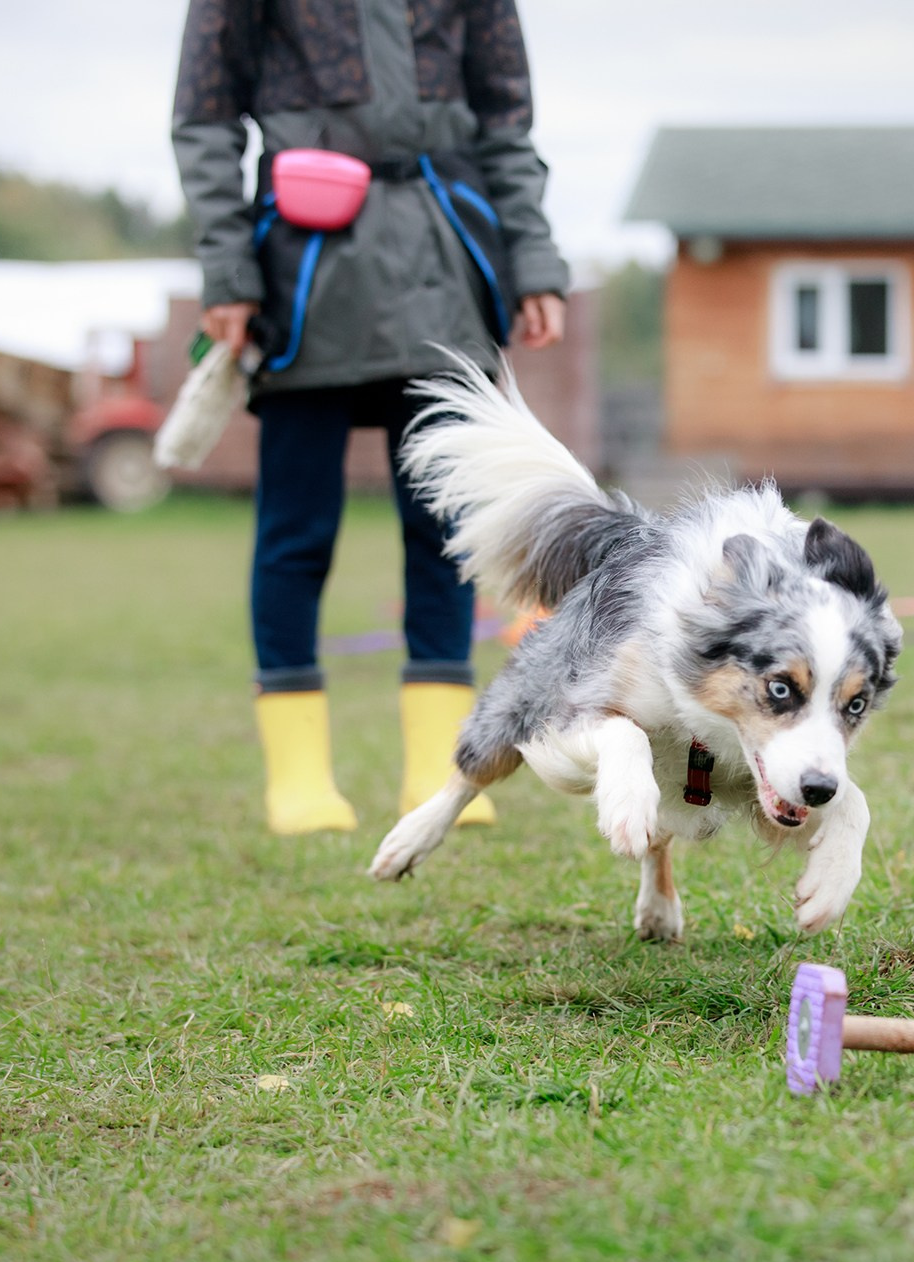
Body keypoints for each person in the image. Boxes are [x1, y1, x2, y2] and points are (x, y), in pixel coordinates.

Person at [171, 0, 569, 834]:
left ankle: (443, 765)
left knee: (447, 532)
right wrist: (227, 271)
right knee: (297, 529)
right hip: (305, 271)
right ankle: (299, 776)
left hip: (444, 266)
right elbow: (206, 119)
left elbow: (506, 119)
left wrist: (533, 256)